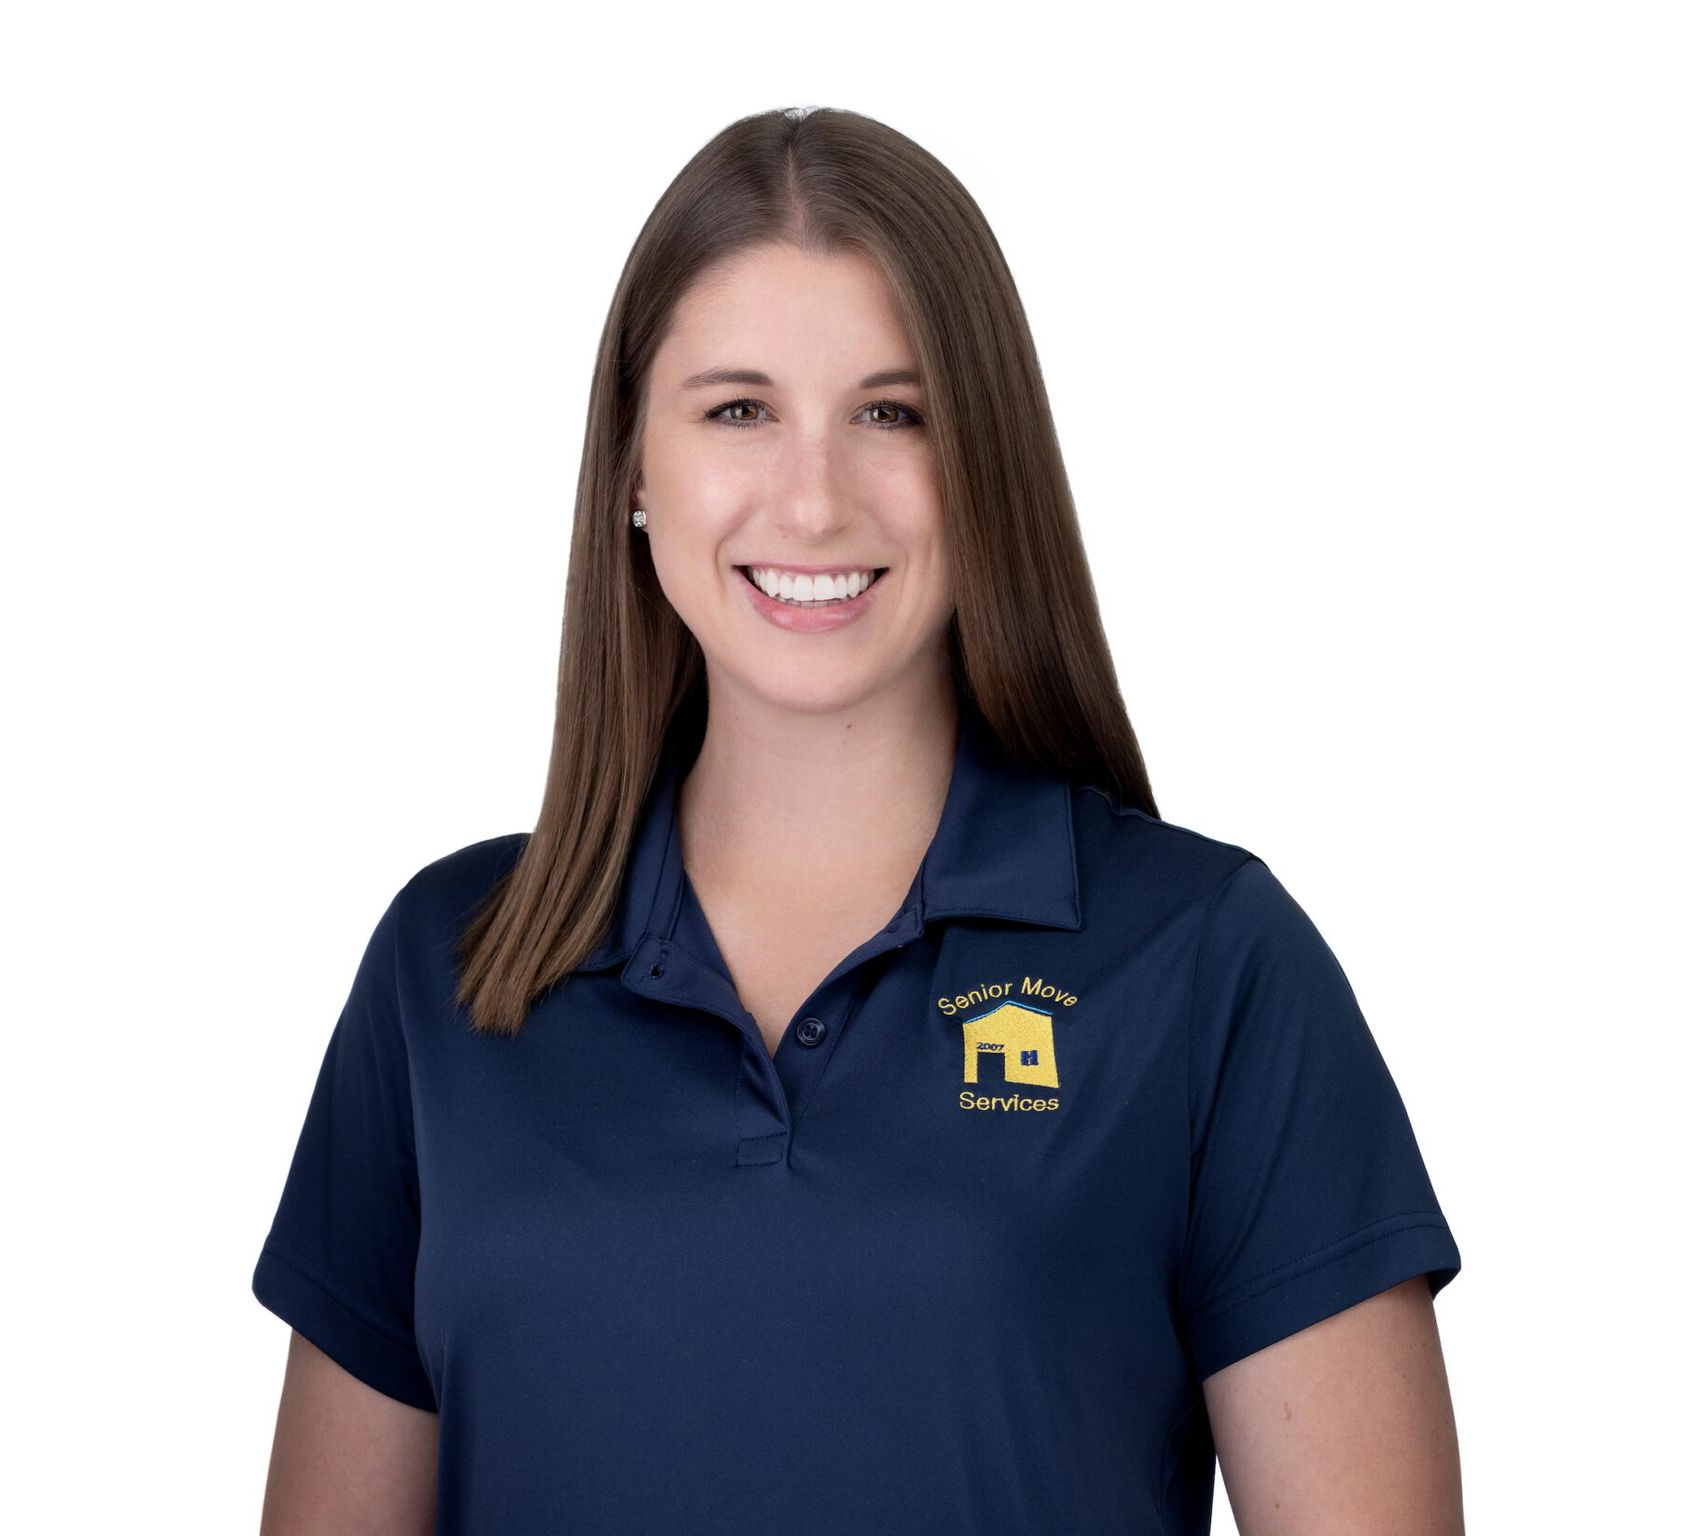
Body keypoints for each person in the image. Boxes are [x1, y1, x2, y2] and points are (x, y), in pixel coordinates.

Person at [252, 106, 1465, 1534]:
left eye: (892, 414)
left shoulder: (1208, 967)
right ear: (635, 473)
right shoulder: (450, 972)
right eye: (738, 410)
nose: (814, 498)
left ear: (987, 466)